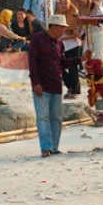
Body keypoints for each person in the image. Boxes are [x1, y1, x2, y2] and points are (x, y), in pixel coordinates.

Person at [29, 14, 71, 157]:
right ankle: (46, 147)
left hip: (56, 84)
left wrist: (81, 59)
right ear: (53, 26)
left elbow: (63, 63)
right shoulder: (37, 39)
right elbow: (32, 63)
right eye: (61, 27)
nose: (63, 31)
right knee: (43, 117)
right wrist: (36, 83)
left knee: (56, 117)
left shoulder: (60, 44)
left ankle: (54, 146)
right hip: (42, 85)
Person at [56, 0, 83, 99]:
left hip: (73, 45)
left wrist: (63, 38)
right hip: (61, 46)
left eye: (65, 3)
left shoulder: (74, 15)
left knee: (72, 68)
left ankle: (74, 91)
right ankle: (72, 88)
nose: (63, 6)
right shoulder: (57, 15)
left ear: (69, 4)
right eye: (61, 4)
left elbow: (77, 34)